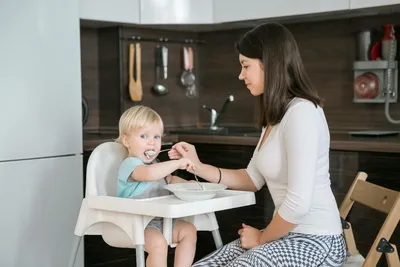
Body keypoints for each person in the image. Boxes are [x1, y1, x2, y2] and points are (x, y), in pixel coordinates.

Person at [168, 22, 347, 267]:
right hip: (285, 235)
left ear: (269, 63)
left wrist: (262, 237)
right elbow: (251, 179)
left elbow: (298, 205)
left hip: (316, 241)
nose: (241, 75)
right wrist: (197, 166)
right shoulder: (276, 116)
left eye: (245, 66)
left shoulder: (302, 113)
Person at [116, 105, 197, 267]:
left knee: (189, 231)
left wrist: (190, 185)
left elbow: (171, 180)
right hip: (136, 223)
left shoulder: (156, 164)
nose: (152, 143)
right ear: (127, 141)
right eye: (144, 136)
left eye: (156, 137)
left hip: (161, 220)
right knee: (158, 244)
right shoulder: (130, 164)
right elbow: (148, 174)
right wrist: (176, 163)